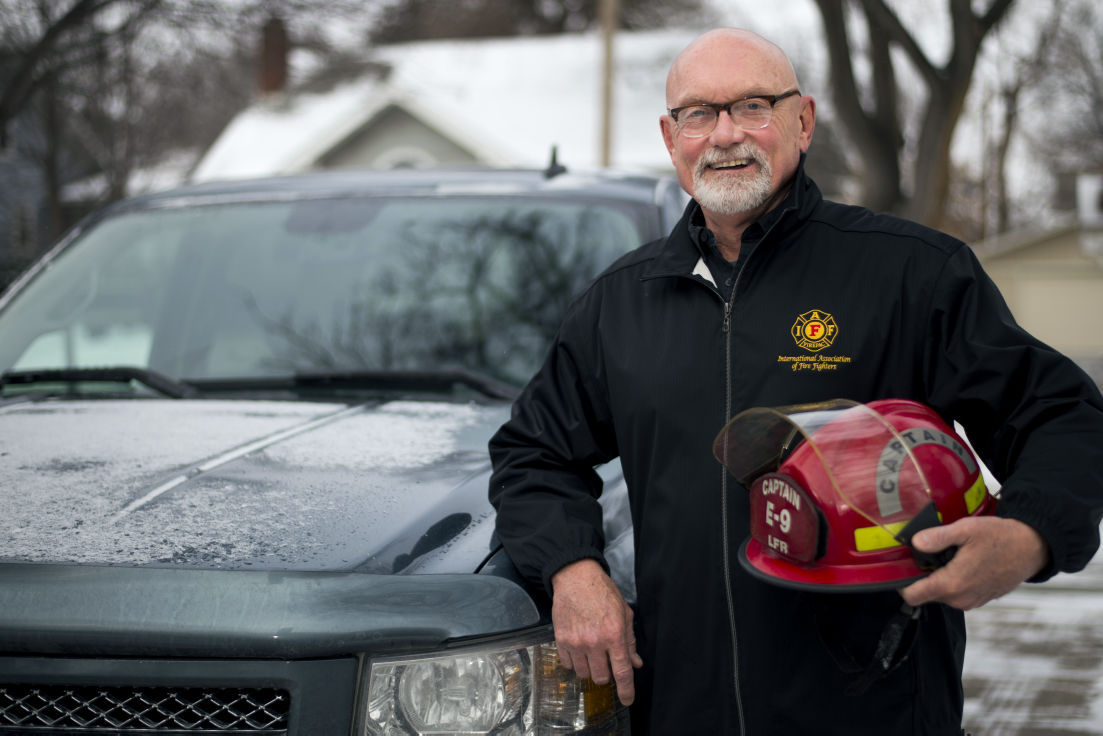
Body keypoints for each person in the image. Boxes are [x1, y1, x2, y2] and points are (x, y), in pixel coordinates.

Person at [488, 27, 1103, 735]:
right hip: (684, 707)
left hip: (871, 704)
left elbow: (1061, 415)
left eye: (752, 106)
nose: (723, 135)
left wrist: (1029, 532)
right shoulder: (621, 303)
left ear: (801, 122)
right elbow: (532, 454)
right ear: (670, 137)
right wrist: (571, 567)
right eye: (696, 114)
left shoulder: (909, 274)